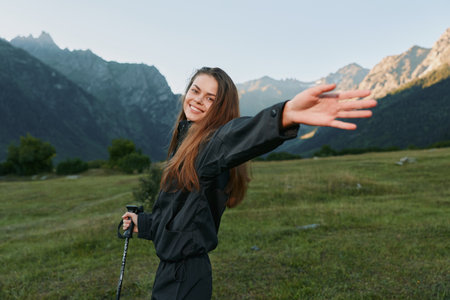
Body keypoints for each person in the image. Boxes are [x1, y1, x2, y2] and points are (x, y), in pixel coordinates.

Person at [122, 67, 376, 299]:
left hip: (184, 278)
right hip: (172, 273)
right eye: (195, 91)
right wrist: (143, 223)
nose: (199, 100)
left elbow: (240, 134)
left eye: (211, 98)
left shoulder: (210, 145)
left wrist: (285, 115)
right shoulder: (186, 141)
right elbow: (178, 214)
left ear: (221, 109)